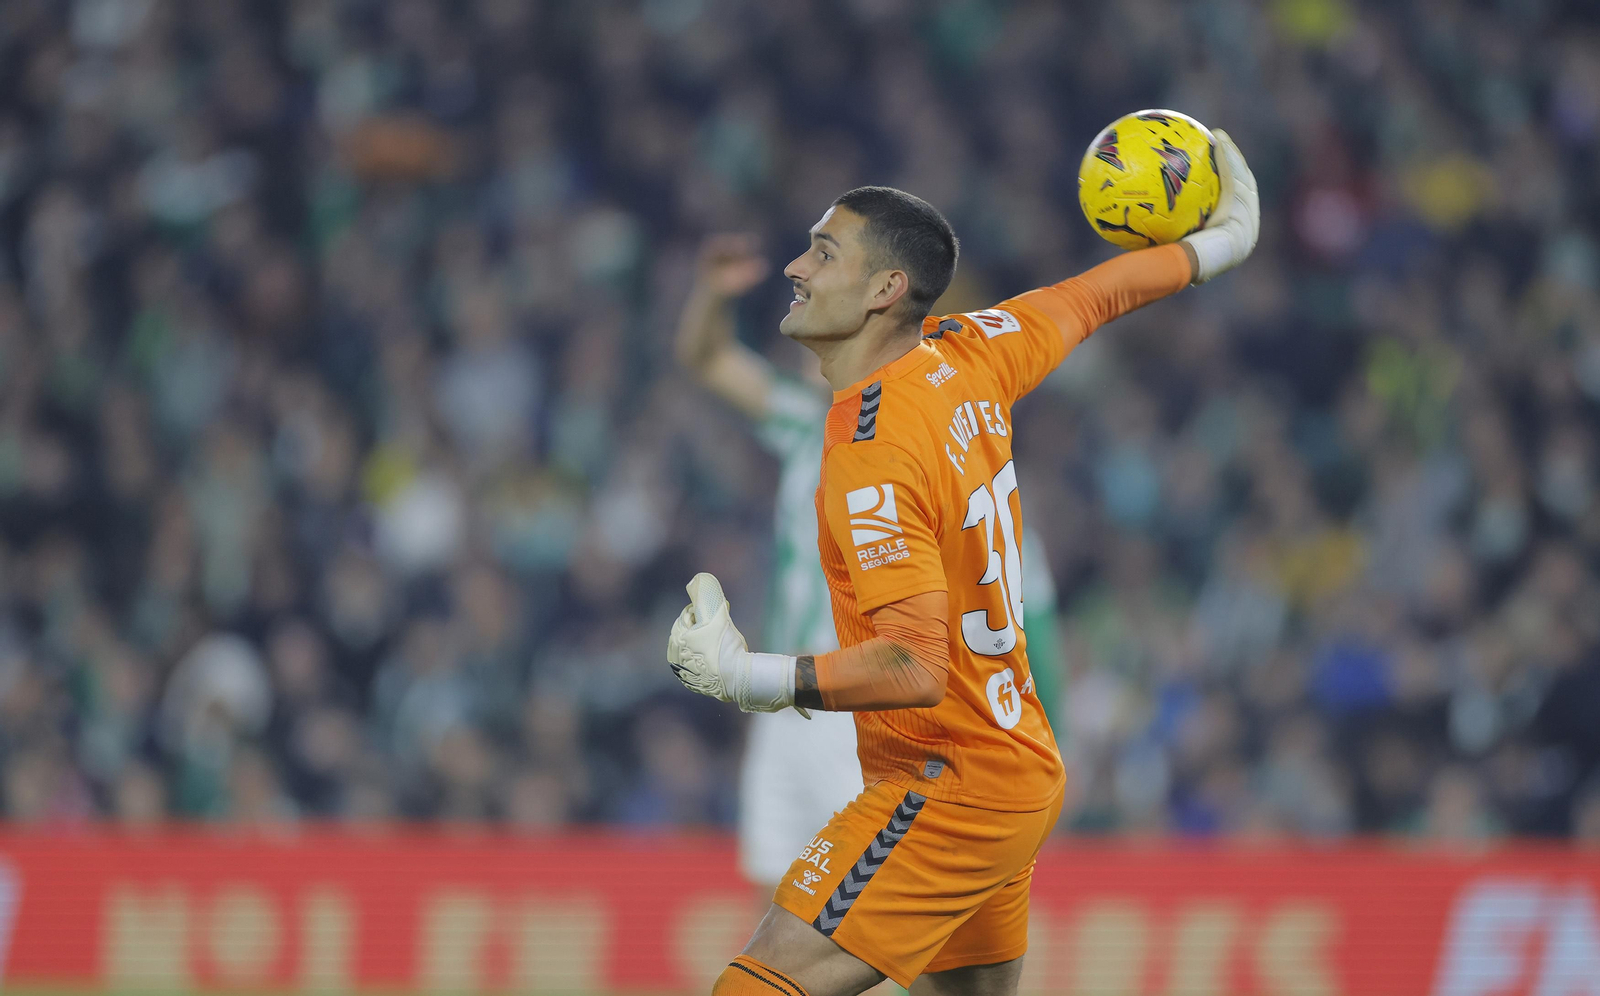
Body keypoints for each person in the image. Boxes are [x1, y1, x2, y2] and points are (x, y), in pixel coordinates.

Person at [667, 132, 1260, 996]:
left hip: (943, 783)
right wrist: (1216, 246)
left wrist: (743, 676)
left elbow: (911, 665)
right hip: (1009, 765)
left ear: (884, 290)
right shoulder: (974, 349)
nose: (795, 268)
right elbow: (1095, 295)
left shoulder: (872, 451)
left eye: (822, 252)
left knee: (754, 985)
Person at [675, 238, 1067, 894]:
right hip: (790, 705)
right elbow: (707, 358)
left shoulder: (931, 449)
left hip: (871, 714)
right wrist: (713, 294)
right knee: (781, 903)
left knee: (868, 913)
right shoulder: (808, 427)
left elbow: (1026, 613)